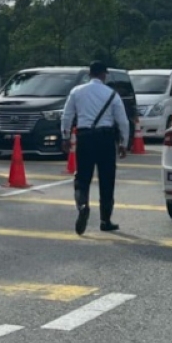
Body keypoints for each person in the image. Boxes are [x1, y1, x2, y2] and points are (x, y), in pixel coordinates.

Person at [61, 61, 130, 235]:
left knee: (82, 178)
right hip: (106, 140)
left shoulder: (77, 92)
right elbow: (122, 121)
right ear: (103, 74)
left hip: (85, 138)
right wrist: (123, 143)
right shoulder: (112, 94)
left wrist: (66, 137)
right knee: (107, 180)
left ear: (89, 74)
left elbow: (67, 116)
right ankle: (105, 220)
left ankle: (83, 206)